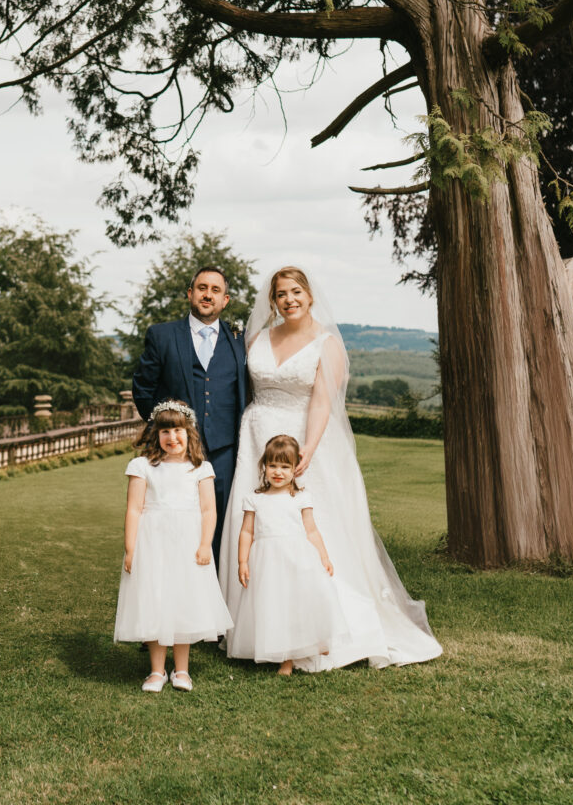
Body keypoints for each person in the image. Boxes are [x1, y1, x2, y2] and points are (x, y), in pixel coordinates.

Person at [220, 266, 443, 671]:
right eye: (281, 294)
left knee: (308, 529)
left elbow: (323, 400)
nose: (289, 299)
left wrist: (309, 446)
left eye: (296, 292)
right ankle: (256, 627)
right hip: (256, 438)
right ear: (271, 300)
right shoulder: (258, 338)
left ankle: (316, 627)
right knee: (256, 524)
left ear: (309, 295)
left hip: (305, 439)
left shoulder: (327, 344)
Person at [114, 400, 233, 692]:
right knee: (155, 600)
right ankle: (157, 671)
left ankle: (181, 670)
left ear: (189, 432)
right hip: (153, 544)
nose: (172, 437)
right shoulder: (143, 467)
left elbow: (209, 511)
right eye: (165, 431)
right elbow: (134, 509)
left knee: (182, 601)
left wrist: (206, 544)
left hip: (187, 545)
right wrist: (131, 549)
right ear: (156, 434)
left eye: (177, 430)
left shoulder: (200, 468)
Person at [132, 267, 247, 562]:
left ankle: (216, 599)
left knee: (220, 527)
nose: (208, 294)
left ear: (225, 300)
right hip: (176, 455)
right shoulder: (162, 335)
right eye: (202, 288)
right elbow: (143, 389)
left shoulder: (239, 340)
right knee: (173, 525)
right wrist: (165, 432)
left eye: (215, 290)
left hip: (225, 453)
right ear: (190, 294)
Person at [230, 434, 350, 675]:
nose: (278, 472)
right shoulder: (255, 499)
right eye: (273, 465)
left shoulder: (301, 498)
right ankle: (285, 658)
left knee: (301, 603)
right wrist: (242, 561)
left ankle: (315, 641)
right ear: (264, 466)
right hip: (268, 562)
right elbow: (246, 532)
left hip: (298, 559)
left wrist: (323, 557)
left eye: (285, 466)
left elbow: (312, 531)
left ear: (296, 469)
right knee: (276, 606)